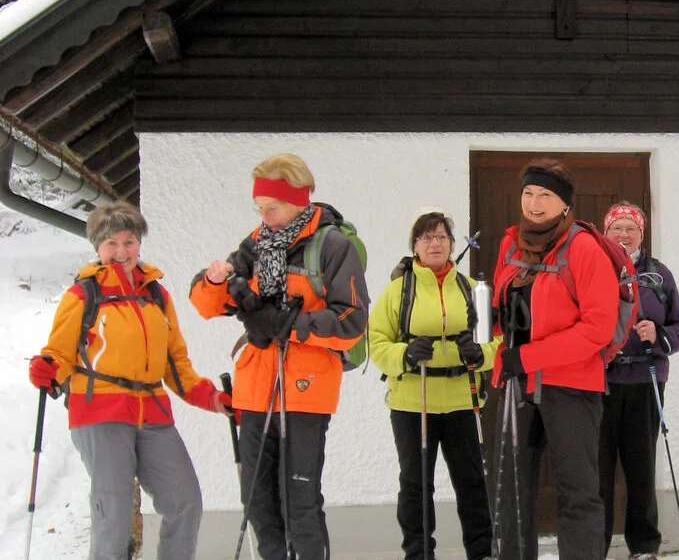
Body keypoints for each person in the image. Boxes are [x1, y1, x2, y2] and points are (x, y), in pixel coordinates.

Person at [189, 153, 369, 560]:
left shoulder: (333, 245)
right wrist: (214, 281)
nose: (265, 216)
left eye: (272, 207)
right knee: (259, 504)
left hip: (305, 391)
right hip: (255, 389)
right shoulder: (256, 244)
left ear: (298, 200)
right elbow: (206, 305)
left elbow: (353, 319)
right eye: (260, 208)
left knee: (299, 504)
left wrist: (291, 325)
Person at [28, 201, 231, 560]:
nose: (121, 252)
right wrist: (47, 369)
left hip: (152, 414)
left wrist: (214, 399)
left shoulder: (155, 294)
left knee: (185, 501)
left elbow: (176, 364)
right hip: (100, 411)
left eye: (129, 242)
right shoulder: (84, 294)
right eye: (111, 243)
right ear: (97, 247)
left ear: (139, 244)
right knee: (114, 511)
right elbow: (59, 353)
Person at [490, 158, 617, 560]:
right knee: (512, 487)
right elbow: (503, 309)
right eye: (528, 193)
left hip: (572, 387)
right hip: (516, 382)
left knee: (577, 491)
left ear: (564, 203)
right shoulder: (510, 244)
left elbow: (597, 328)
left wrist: (527, 356)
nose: (534, 202)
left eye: (545, 194)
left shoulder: (583, 248)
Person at [368, 210, 499, 560]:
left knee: (472, 482)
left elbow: (497, 342)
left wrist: (479, 354)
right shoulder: (398, 291)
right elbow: (376, 344)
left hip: (462, 399)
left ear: (452, 244)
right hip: (413, 402)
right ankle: (419, 553)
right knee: (415, 485)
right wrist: (406, 353)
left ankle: (482, 552)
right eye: (427, 237)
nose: (435, 243)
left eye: (442, 237)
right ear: (415, 246)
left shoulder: (471, 290)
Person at [599, 201, 679, 560]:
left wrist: (659, 334)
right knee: (598, 470)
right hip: (601, 381)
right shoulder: (593, 267)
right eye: (616, 228)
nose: (623, 235)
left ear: (642, 234)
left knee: (641, 468)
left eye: (631, 229)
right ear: (605, 233)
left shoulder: (658, 274)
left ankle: (644, 547)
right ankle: (594, 545)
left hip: (645, 378)